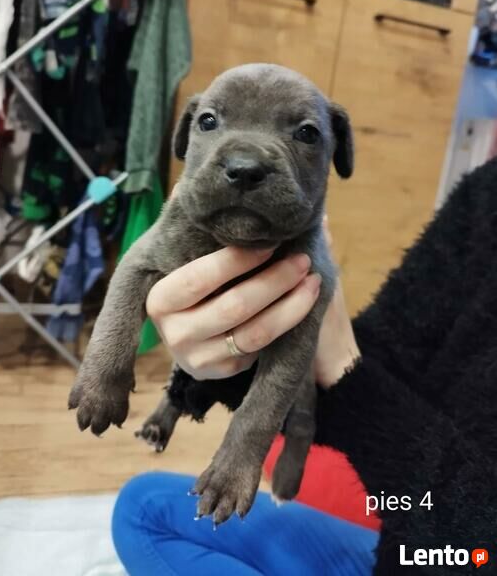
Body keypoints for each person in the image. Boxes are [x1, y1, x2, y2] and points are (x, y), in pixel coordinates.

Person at [112, 159, 497, 575]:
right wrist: (242, 352)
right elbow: (387, 356)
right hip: (411, 550)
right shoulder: (487, 191)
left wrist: (346, 375)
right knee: (144, 510)